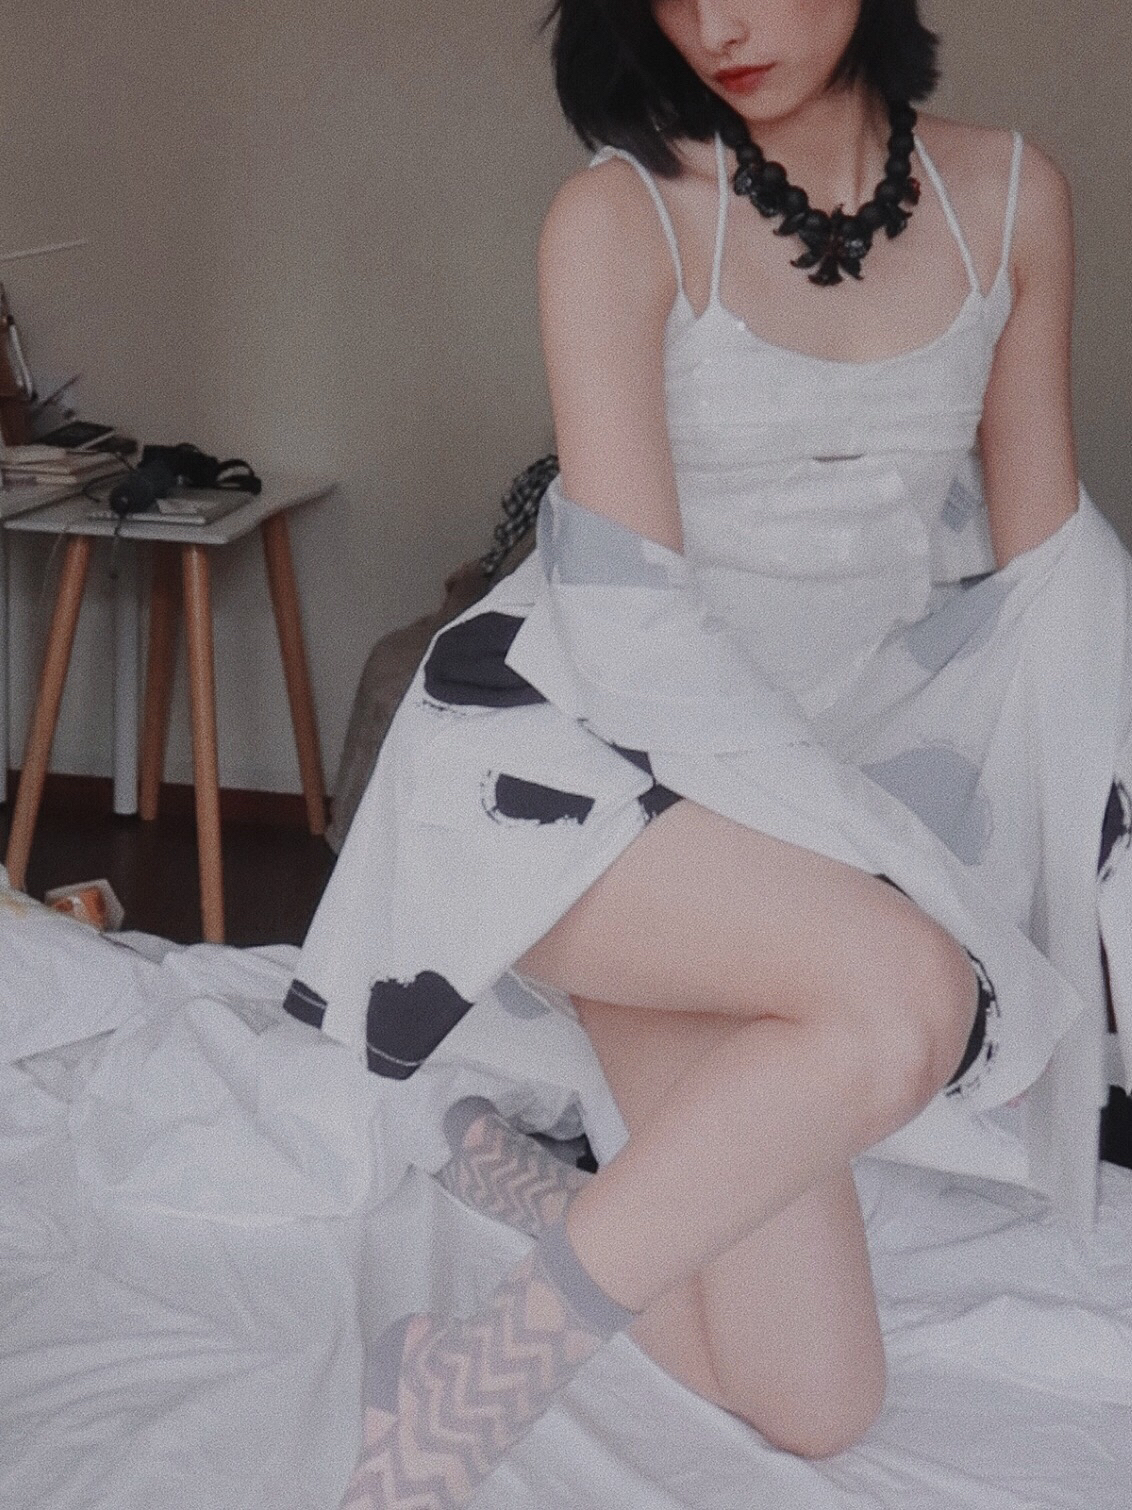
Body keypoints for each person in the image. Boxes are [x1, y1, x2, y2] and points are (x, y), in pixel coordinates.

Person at [314, 3, 1126, 1505]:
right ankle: (448, 1415)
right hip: (588, 786)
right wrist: (882, 881)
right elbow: (634, 637)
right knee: (909, 994)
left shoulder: (1014, 199)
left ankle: (528, 1179)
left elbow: (1048, 584)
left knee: (819, 1403)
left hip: (800, 822)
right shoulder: (618, 219)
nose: (720, 25)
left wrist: (1091, 866)